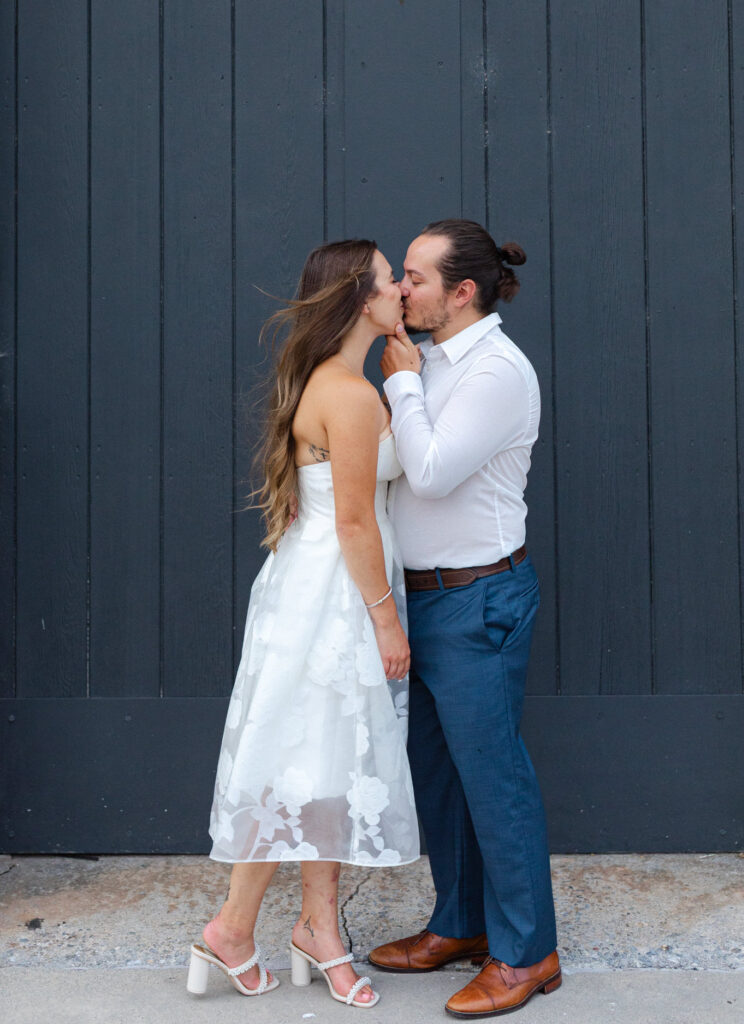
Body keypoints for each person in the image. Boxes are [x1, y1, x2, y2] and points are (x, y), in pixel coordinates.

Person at [187, 239, 419, 1009]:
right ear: (359, 297)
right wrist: (386, 623)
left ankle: (312, 927)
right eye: (389, 280)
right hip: (334, 593)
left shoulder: (338, 381)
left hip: (316, 583)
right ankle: (235, 926)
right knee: (296, 756)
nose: (401, 290)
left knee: (325, 761)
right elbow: (354, 520)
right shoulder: (348, 395)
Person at [368, 220, 560, 1018]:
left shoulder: (494, 371)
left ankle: (527, 952)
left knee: (493, 778)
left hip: (478, 598)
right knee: (439, 776)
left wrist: (400, 386)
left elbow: (433, 472)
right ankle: (461, 925)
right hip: (420, 597)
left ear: (463, 291)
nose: (400, 289)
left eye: (414, 277)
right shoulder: (430, 360)